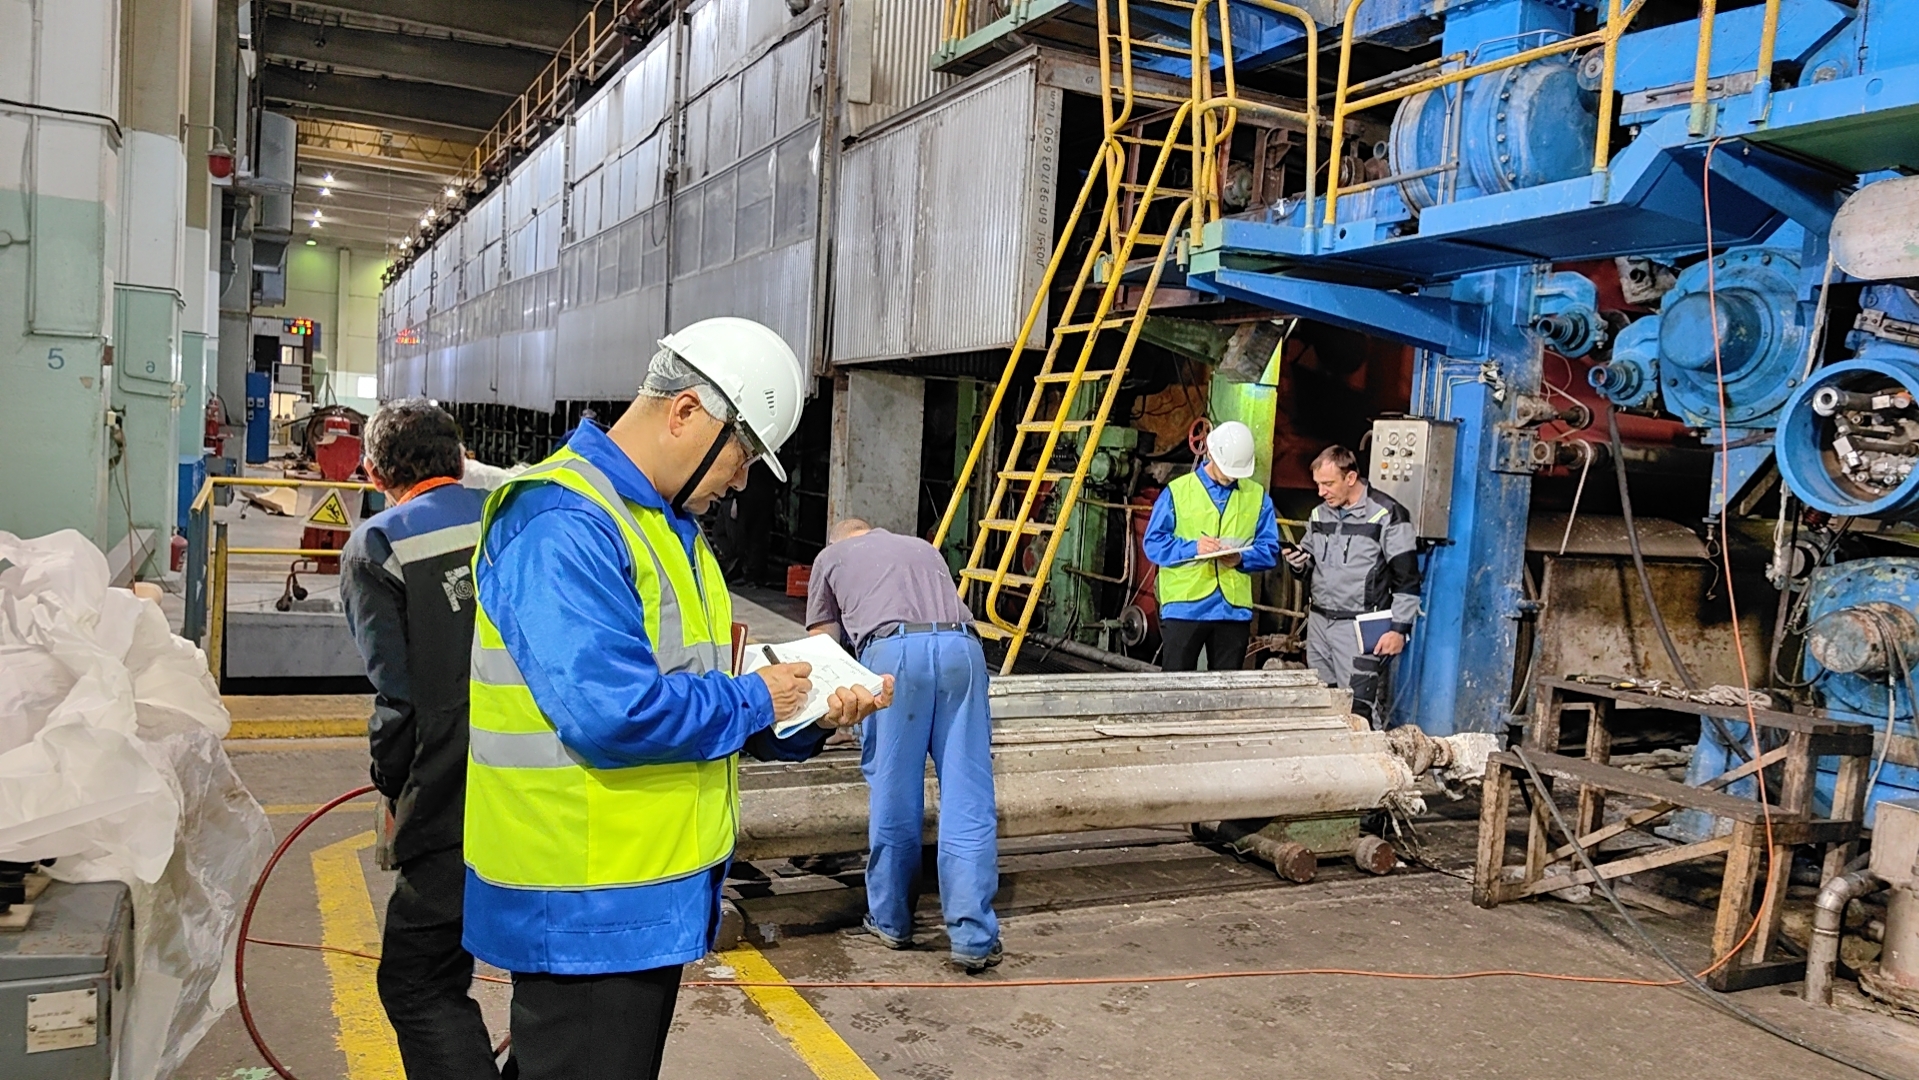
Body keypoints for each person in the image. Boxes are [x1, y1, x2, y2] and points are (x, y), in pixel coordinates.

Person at [463, 317, 892, 1080]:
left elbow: (700, 694)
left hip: (637, 898)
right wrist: (755, 701)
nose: (740, 480)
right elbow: (613, 714)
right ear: (686, 412)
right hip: (585, 901)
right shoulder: (566, 522)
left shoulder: (665, 529)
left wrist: (805, 714)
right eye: (742, 454)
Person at [338, 400, 498, 1080]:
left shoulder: (378, 545)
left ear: (374, 472)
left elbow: (397, 696)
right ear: (460, 461)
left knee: (418, 979)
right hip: (546, 777)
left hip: (450, 788)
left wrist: (394, 786)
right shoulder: (510, 519)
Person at [805, 518, 1002, 973]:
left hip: (892, 655)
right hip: (962, 649)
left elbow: (823, 644)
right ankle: (973, 936)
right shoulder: (922, 547)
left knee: (895, 790)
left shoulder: (830, 557)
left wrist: (825, 712)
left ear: (837, 538)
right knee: (967, 793)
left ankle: (892, 920)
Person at [1283, 444, 1421, 725]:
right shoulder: (1320, 514)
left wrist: (1399, 630)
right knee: (1324, 704)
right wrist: (1298, 563)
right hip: (1320, 625)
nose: (1321, 492)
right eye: (1318, 485)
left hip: (1359, 628)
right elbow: (1310, 563)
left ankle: (1370, 766)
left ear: (1350, 478)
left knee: (1359, 711)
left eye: (1328, 484)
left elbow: (1407, 579)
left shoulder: (1387, 515)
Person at [1142, 420, 1283, 671]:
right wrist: (1194, 548)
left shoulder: (1257, 497)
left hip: (1233, 611)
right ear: (1209, 452)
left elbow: (1270, 549)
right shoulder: (1178, 491)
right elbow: (1153, 544)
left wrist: (1241, 559)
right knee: (1175, 690)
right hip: (1185, 608)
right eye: (1226, 469)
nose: (1231, 477)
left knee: (1225, 693)